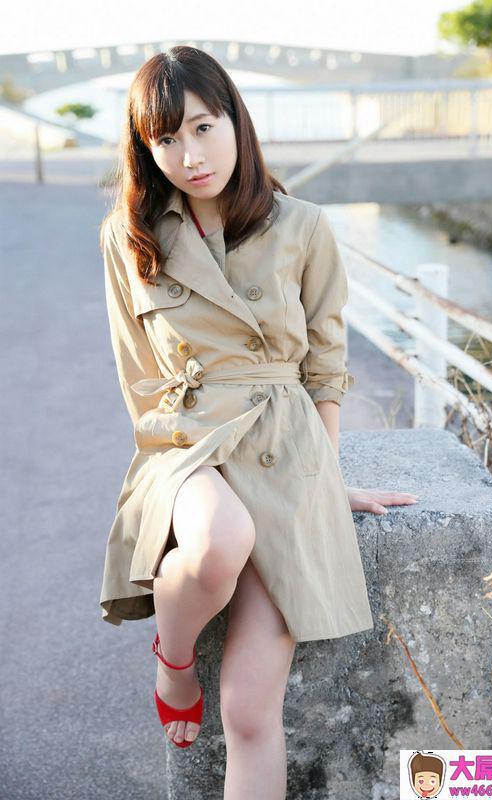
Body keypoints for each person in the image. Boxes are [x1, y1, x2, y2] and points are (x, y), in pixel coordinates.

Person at [99, 45, 418, 798]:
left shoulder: (303, 226)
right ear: (145, 148)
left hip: (284, 447)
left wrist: (325, 478)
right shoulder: (129, 235)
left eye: (203, 128)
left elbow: (325, 367)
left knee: (248, 711)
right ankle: (173, 658)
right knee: (219, 539)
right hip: (189, 445)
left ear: (235, 121)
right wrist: (164, 470)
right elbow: (138, 376)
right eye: (166, 138)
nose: (190, 155)